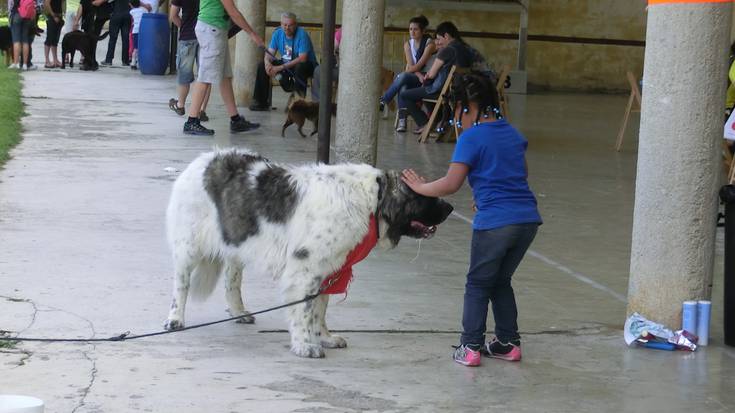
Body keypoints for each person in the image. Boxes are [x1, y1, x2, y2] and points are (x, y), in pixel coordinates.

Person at [401, 72, 542, 367]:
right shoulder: (512, 133)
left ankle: (470, 347)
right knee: (500, 281)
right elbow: (520, 173)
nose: (456, 119)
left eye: (456, 111)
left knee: (477, 283)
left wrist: (420, 188)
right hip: (527, 220)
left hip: (495, 223)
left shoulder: (471, 138)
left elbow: (451, 183)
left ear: (465, 108)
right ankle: (507, 343)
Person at [182, 0, 263, 135]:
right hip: (212, 31)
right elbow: (233, 12)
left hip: (216, 30)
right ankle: (191, 121)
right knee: (205, 77)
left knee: (225, 77)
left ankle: (235, 120)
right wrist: (252, 34)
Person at [397, 21, 478, 135]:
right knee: (424, 89)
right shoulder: (465, 48)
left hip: (445, 91)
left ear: (446, 36)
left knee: (405, 94)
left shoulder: (448, 50)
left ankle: (425, 123)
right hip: (461, 90)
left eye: (439, 39)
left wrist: (426, 75)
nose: (438, 42)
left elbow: (431, 74)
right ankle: (436, 121)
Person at [249, 12, 317, 111]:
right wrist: (267, 63)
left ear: (295, 25)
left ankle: (298, 105)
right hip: (287, 63)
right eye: (284, 25)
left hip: (307, 65)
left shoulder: (302, 34)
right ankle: (260, 102)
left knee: (300, 67)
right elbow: (270, 53)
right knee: (262, 65)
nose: (287, 28)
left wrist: (280, 68)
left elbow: (303, 58)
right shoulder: (277, 33)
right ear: (281, 24)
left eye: (290, 25)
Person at [381, 15, 436, 131]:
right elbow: (411, 66)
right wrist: (417, 74)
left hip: (427, 78)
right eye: (410, 29)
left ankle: (386, 101)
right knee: (403, 84)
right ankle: (401, 121)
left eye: (415, 29)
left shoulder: (429, 44)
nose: (412, 32)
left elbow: (420, 65)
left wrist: (413, 72)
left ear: (423, 31)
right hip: (416, 77)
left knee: (403, 77)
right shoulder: (407, 44)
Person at [168, 0, 211, 121]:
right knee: (205, 75)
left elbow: (173, 15)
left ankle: (180, 105)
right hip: (206, 36)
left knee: (184, 74)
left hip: (187, 36)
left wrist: (183, 26)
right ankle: (202, 110)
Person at [310, 27, 340, 103]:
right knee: (318, 70)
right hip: (339, 66)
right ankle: (318, 103)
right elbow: (331, 52)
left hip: (352, 70)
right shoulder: (340, 33)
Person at [101, 0, 133, 66]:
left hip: (116, 14)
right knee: (125, 39)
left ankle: (109, 60)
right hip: (127, 15)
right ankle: (125, 61)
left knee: (113, 38)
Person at [7, 0, 35, 70]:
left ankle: (16, 63)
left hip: (17, 14)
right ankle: (25, 64)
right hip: (27, 16)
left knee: (16, 40)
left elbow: (11, 4)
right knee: (25, 41)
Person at [42, 0, 64, 68]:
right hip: (52, 17)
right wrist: (53, 15)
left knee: (55, 40)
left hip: (59, 16)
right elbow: (46, 4)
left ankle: (55, 60)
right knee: (49, 38)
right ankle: (47, 61)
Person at [128, 0, 146, 70]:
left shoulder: (131, 12)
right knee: (142, 47)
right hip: (142, 31)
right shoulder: (143, 11)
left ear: (131, 5)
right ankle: (139, 63)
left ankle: (133, 62)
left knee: (135, 48)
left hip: (135, 31)